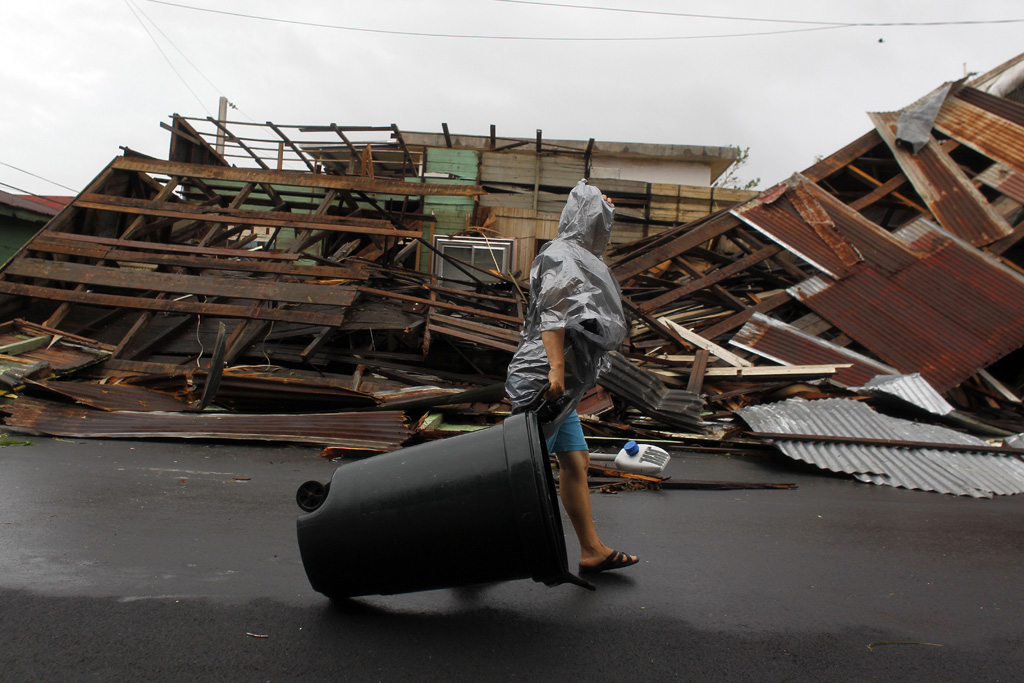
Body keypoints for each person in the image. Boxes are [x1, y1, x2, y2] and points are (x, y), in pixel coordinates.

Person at [506, 179, 638, 575]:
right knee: (518, 475)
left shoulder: (582, 259)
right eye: (601, 219)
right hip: (544, 382)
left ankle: (591, 549)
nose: (605, 230)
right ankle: (468, 552)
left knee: (576, 461)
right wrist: (557, 373)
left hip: (563, 384)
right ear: (586, 220)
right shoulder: (562, 253)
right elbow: (555, 316)